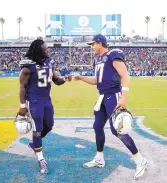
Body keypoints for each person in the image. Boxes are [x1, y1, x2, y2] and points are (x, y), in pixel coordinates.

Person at [74, 34, 148, 180]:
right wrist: (81, 77)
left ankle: (140, 160)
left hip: (113, 95)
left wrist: (124, 96)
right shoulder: (97, 59)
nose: (92, 47)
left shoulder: (113, 55)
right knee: (97, 126)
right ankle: (100, 158)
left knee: (117, 131)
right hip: (102, 96)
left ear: (100, 43)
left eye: (93, 44)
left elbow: (125, 76)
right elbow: (97, 80)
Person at [18, 39, 72, 174]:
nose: (48, 51)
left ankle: (35, 143)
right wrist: (23, 106)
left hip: (46, 100)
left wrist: (65, 78)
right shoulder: (27, 65)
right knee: (37, 129)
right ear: (38, 51)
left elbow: (57, 80)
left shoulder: (49, 62)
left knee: (49, 125)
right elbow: (22, 87)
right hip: (34, 101)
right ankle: (41, 160)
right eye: (45, 49)